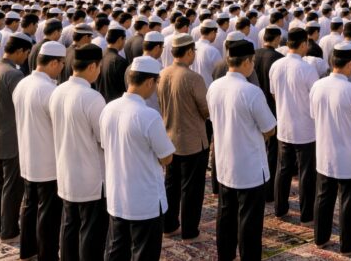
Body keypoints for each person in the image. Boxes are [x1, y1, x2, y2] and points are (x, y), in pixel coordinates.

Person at [207, 40, 276, 261]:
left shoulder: (214, 87)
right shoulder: (251, 92)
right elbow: (269, 129)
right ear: (246, 62)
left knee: (226, 216)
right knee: (249, 222)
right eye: (252, 62)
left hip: (225, 164)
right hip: (249, 167)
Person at [100, 57, 175, 261]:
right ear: (149, 82)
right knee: (144, 253)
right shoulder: (148, 115)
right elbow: (167, 157)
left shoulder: (108, 109)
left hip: (117, 195)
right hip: (145, 200)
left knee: (117, 250)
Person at [310, 42, 351, 254]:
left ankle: (320, 238)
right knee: (348, 203)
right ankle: (348, 246)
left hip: (325, 151)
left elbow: (313, 115)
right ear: (349, 64)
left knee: (324, 197)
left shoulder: (317, 86)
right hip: (349, 155)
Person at [50, 44, 108, 261]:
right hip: (90, 177)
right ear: (92, 66)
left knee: (69, 227)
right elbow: (104, 139)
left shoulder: (57, 91)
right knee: (91, 233)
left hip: (66, 173)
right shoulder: (92, 98)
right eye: (99, 67)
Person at [14, 41, 66, 261]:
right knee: (48, 214)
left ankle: (27, 250)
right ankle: (46, 255)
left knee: (29, 205)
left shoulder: (22, 84)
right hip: (47, 162)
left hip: (27, 156)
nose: (62, 68)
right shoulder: (49, 91)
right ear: (53, 62)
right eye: (61, 64)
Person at [157, 33, 210, 242]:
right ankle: (190, 231)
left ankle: (169, 225)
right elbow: (206, 111)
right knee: (191, 189)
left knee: (171, 185)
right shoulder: (193, 78)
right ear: (189, 52)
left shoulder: (162, 74)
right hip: (192, 143)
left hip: (169, 138)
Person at [269, 27, 319, 223]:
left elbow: (274, 94)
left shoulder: (276, 66)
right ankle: (306, 214)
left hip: (284, 126)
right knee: (306, 174)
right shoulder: (307, 69)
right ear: (303, 44)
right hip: (305, 129)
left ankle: (280, 208)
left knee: (283, 170)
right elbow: (314, 99)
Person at [0, 32, 31, 240]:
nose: (26, 57)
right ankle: (9, 228)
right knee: (11, 186)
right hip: (10, 135)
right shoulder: (14, 75)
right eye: (26, 53)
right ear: (19, 51)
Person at [253, 24, 284, 203]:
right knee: (272, 151)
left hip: (253, 108)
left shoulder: (253, 56)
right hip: (271, 108)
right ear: (277, 39)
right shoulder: (278, 58)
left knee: (256, 148)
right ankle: (268, 190)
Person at [97, 25, 128, 102]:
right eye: (124, 39)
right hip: (115, 105)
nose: (124, 42)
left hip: (99, 103)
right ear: (120, 39)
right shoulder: (120, 62)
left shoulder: (98, 57)